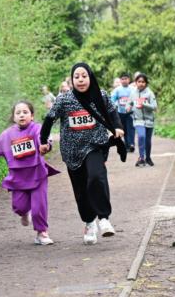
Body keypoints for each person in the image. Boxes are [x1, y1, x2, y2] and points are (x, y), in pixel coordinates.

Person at [40, 62, 124, 245]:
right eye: (76, 76)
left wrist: (118, 127)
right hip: (72, 151)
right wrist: (43, 141)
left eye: (84, 76)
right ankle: (89, 222)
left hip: (96, 145)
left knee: (96, 177)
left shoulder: (100, 95)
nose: (80, 80)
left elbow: (112, 112)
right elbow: (49, 119)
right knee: (81, 190)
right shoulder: (64, 99)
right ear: (71, 80)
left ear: (90, 77)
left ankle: (103, 218)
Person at [0, 100, 61, 245]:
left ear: (32, 116)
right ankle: (24, 213)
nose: (22, 115)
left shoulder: (36, 129)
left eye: (25, 112)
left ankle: (42, 233)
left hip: (37, 174)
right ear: (14, 117)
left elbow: (45, 138)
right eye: (18, 113)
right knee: (19, 207)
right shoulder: (7, 135)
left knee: (39, 207)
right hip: (18, 178)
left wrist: (45, 145)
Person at [131, 72, 157, 167]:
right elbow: (129, 103)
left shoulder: (149, 93)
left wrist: (144, 104)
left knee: (148, 141)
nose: (141, 83)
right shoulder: (133, 93)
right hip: (138, 120)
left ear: (146, 83)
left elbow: (154, 107)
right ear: (136, 82)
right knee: (141, 136)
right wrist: (128, 107)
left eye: (143, 82)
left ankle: (148, 157)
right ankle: (141, 157)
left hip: (149, 120)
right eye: (139, 81)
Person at [110, 72, 136, 153]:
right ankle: (127, 145)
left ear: (129, 80)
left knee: (131, 128)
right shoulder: (117, 90)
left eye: (126, 79)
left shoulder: (132, 89)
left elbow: (136, 99)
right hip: (120, 113)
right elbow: (112, 100)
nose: (124, 81)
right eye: (122, 79)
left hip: (130, 113)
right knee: (124, 129)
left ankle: (131, 144)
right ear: (120, 80)